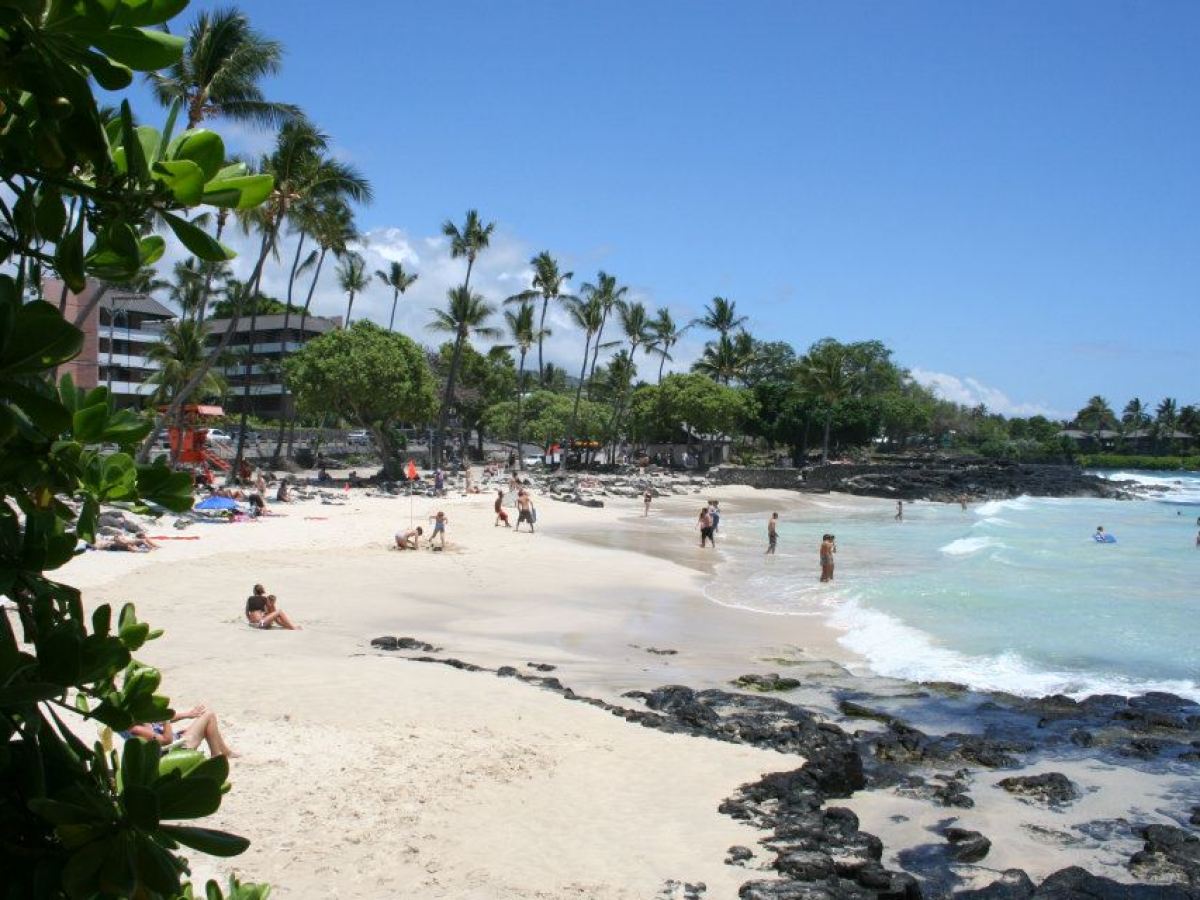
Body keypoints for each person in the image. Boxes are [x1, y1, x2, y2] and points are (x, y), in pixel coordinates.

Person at [124, 703, 237, 758]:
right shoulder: (137, 729)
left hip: (177, 741)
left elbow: (161, 720)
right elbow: (166, 740)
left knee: (205, 720)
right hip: (175, 749)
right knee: (209, 716)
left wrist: (188, 714)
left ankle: (225, 753)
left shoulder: (142, 720)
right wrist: (166, 720)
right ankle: (217, 757)